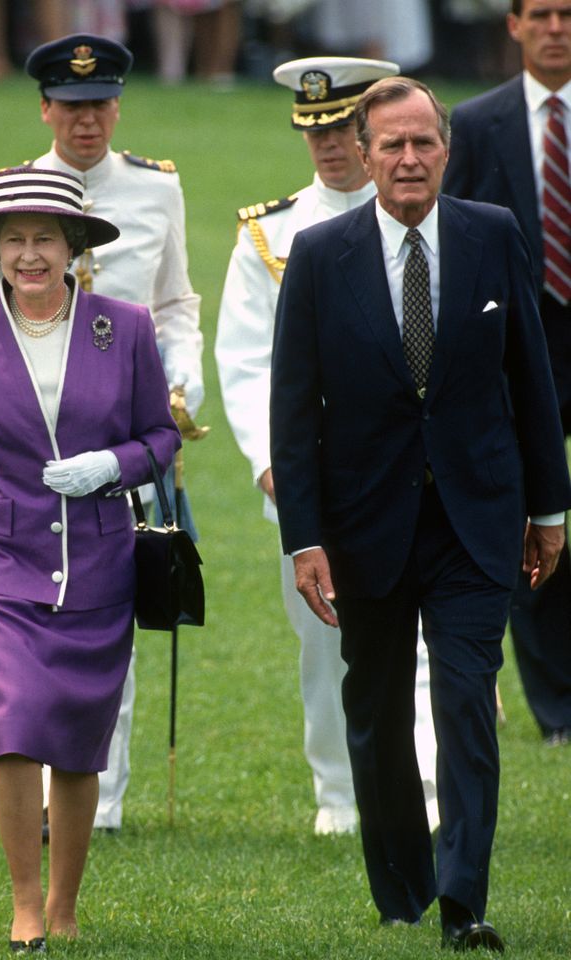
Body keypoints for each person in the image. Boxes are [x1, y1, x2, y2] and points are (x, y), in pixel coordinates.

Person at [270, 75, 571, 950]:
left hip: (479, 519)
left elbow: (532, 379)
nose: (409, 159)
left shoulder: (493, 235)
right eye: (391, 145)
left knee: (469, 702)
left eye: (424, 143)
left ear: (447, 150)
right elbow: (295, 411)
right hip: (366, 527)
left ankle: (462, 900)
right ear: (363, 156)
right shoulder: (320, 256)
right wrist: (306, 539)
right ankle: (401, 885)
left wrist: (548, 508)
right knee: (377, 709)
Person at [0, 166, 181, 952]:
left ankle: (66, 905)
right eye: (14, 240)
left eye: (45, 240)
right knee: (18, 721)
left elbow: (159, 437)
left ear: (74, 249)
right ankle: (26, 906)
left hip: (98, 561)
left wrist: (112, 466)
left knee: (77, 736)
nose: (30, 256)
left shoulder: (122, 325)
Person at [0, 33, 204, 833]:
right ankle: (43, 784)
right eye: (70, 107)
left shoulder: (156, 188)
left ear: (118, 106)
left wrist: (183, 374)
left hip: (122, 430)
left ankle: (102, 801)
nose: (85, 122)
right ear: (45, 109)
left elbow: (176, 302)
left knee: (114, 613)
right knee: (29, 624)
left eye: (99, 107)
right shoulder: (6, 190)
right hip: (24, 445)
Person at [215, 56, 438, 836]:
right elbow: (244, 361)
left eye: (342, 128)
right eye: (313, 132)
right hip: (315, 472)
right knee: (327, 638)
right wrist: (270, 465)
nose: (329, 147)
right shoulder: (271, 233)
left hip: (412, 466)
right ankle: (341, 793)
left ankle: (428, 789)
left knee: (421, 630)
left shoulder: (432, 216)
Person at [442, 0, 571, 746]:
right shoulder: (478, 121)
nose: (556, 28)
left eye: (567, 14)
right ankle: (557, 707)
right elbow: (454, 232)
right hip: (520, 344)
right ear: (515, 25)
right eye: (542, 14)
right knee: (531, 520)